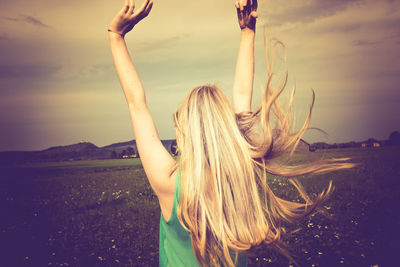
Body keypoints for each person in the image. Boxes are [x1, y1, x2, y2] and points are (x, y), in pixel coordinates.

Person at [108, 0, 357, 266]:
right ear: (226, 128)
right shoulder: (240, 169)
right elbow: (240, 97)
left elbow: (137, 104)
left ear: (186, 132)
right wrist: (248, 30)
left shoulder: (169, 184)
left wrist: (116, 36)